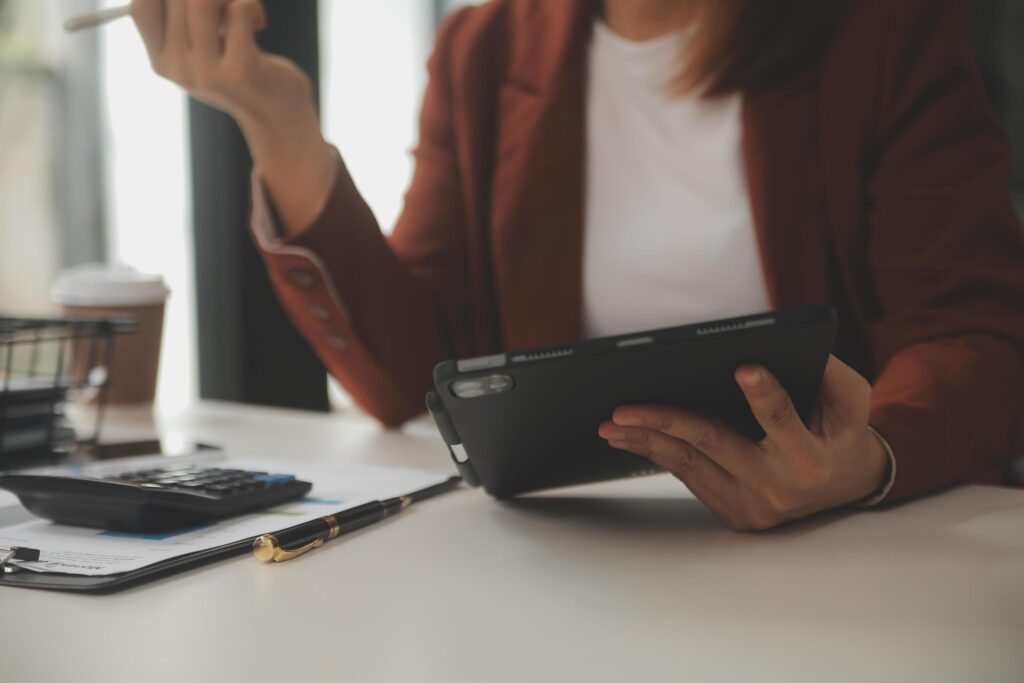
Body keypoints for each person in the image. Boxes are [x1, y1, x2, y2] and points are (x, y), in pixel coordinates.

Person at [130, 0, 1024, 531]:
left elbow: (973, 336)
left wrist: (864, 460)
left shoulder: (882, 32)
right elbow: (419, 375)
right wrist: (278, 125)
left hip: (832, 555)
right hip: (586, 546)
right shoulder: (488, 50)